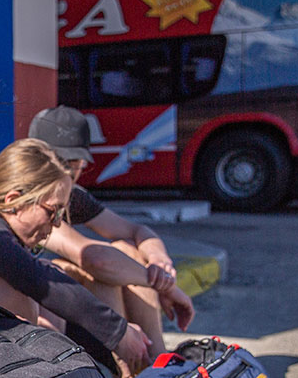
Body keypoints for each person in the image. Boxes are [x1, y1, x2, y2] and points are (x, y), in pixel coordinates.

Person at [0, 138, 153, 378]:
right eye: (52, 212)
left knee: (50, 279)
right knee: (18, 294)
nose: (56, 224)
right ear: (13, 200)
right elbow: (39, 282)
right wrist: (118, 333)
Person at [28, 106, 195, 356]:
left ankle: (154, 361)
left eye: (74, 163)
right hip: (23, 304)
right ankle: (129, 366)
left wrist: (159, 260)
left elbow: (137, 230)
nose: (67, 172)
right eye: (59, 163)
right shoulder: (31, 198)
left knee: (126, 249)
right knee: (96, 270)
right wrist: (166, 286)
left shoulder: (72, 194)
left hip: (60, 300)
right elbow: (93, 259)